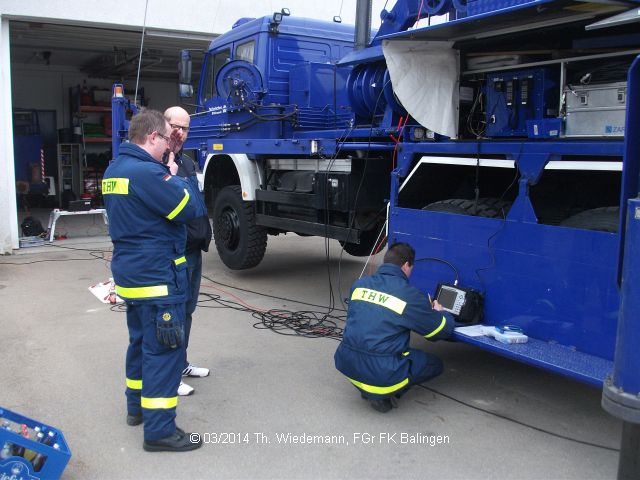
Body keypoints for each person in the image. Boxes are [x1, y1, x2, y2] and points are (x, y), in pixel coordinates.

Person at [102, 108, 204, 452]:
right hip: (158, 277)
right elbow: (190, 209)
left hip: (132, 277)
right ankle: (160, 431)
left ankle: (136, 408)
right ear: (151, 137)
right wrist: (177, 176)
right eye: (164, 138)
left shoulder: (115, 169)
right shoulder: (149, 173)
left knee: (140, 344)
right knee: (164, 352)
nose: (167, 144)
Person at [334, 242, 455, 413]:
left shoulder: (359, 285)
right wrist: (440, 312)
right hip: (382, 371)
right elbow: (441, 331)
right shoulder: (410, 295)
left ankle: (366, 388)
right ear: (406, 265)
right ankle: (382, 394)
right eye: (411, 267)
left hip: (345, 361)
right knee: (435, 365)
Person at [164, 106, 213, 397]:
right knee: (172, 314)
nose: (179, 133)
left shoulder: (185, 161)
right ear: (162, 124)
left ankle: (180, 364)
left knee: (188, 310)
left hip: (193, 250)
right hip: (174, 253)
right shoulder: (157, 163)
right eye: (175, 126)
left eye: (185, 128)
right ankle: (169, 373)